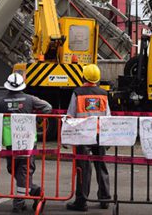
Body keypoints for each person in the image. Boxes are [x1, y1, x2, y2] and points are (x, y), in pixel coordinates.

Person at [0, 72, 52, 212]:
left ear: (8, 87)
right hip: (27, 142)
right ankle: (35, 191)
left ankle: (19, 203)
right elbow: (48, 107)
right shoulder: (30, 100)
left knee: (17, 170)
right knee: (21, 171)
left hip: (10, 143)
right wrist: (37, 118)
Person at [65, 64, 111, 211]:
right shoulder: (103, 93)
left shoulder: (77, 93)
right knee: (101, 165)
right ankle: (105, 199)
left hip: (82, 135)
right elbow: (107, 117)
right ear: (97, 78)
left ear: (83, 76)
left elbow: (70, 115)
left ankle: (81, 201)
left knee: (83, 168)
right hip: (99, 135)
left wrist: (66, 137)